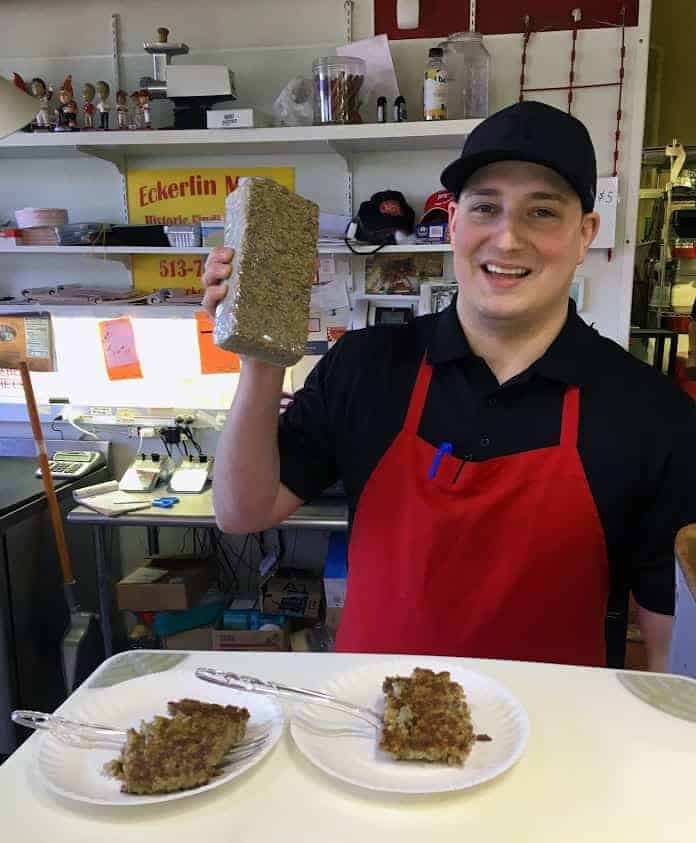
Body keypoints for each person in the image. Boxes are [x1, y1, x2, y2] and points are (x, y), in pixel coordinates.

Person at [202, 101, 695, 671]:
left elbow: (668, 643)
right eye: (486, 207)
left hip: (555, 747)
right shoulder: (367, 364)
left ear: (585, 234)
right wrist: (259, 356)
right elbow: (242, 511)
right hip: (367, 727)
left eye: (542, 212)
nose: (508, 239)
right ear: (455, 223)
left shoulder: (651, 413)